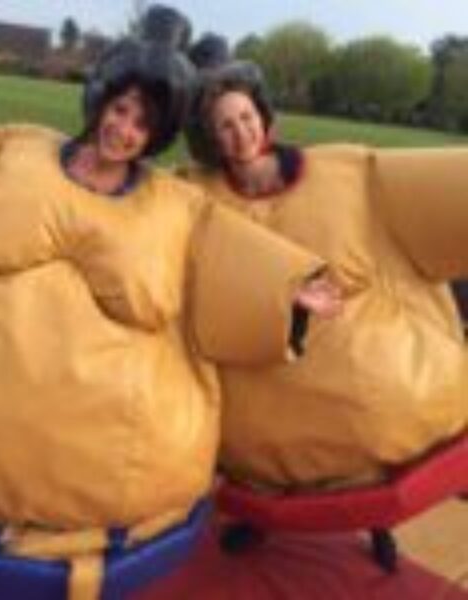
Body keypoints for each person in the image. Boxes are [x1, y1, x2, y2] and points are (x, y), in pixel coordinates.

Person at [0, 7, 333, 597]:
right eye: (120, 109)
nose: (124, 129)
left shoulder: (174, 203)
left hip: (91, 454)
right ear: (100, 100)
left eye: (142, 124)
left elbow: (227, 249)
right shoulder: (19, 146)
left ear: (155, 137)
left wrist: (288, 287)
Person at [182, 34, 468, 491]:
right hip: (269, 436)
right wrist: (278, 293)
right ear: (211, 139)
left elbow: (427, 193)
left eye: (246, 117)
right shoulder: (197, 198)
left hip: (399, 396)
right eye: (225, 126)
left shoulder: (343, 171)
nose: (241, 133)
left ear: (263, 116)